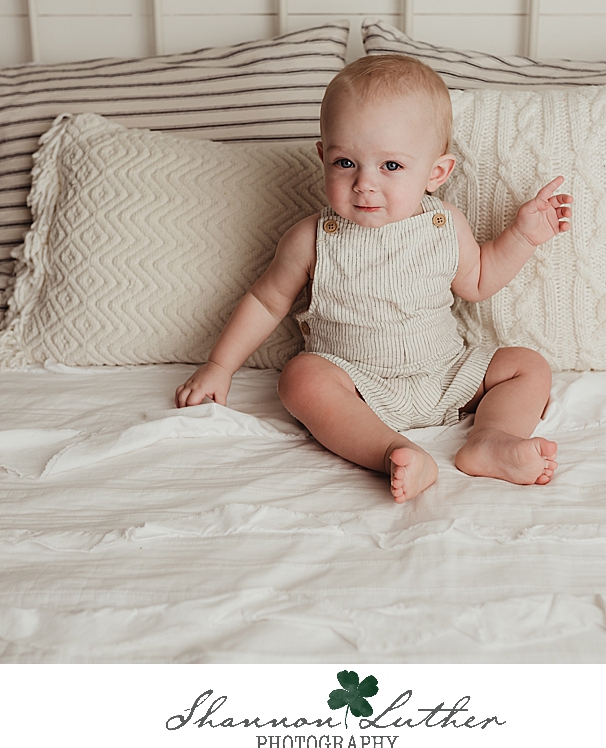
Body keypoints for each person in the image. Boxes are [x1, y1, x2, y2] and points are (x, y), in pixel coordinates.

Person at [176, 54, 572, 503]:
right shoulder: (310, 239)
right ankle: (391, 451)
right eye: (346, 163)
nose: (364, 183)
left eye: (391, 166)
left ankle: (491, 438)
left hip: (448, 373)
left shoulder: (447, 225)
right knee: (300, 378)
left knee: (527, 365)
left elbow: (479, 281)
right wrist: (220, 366)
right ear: (323, 156)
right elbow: (266, 302)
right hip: (357, 385)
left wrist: (522, 236)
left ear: (436, 173)